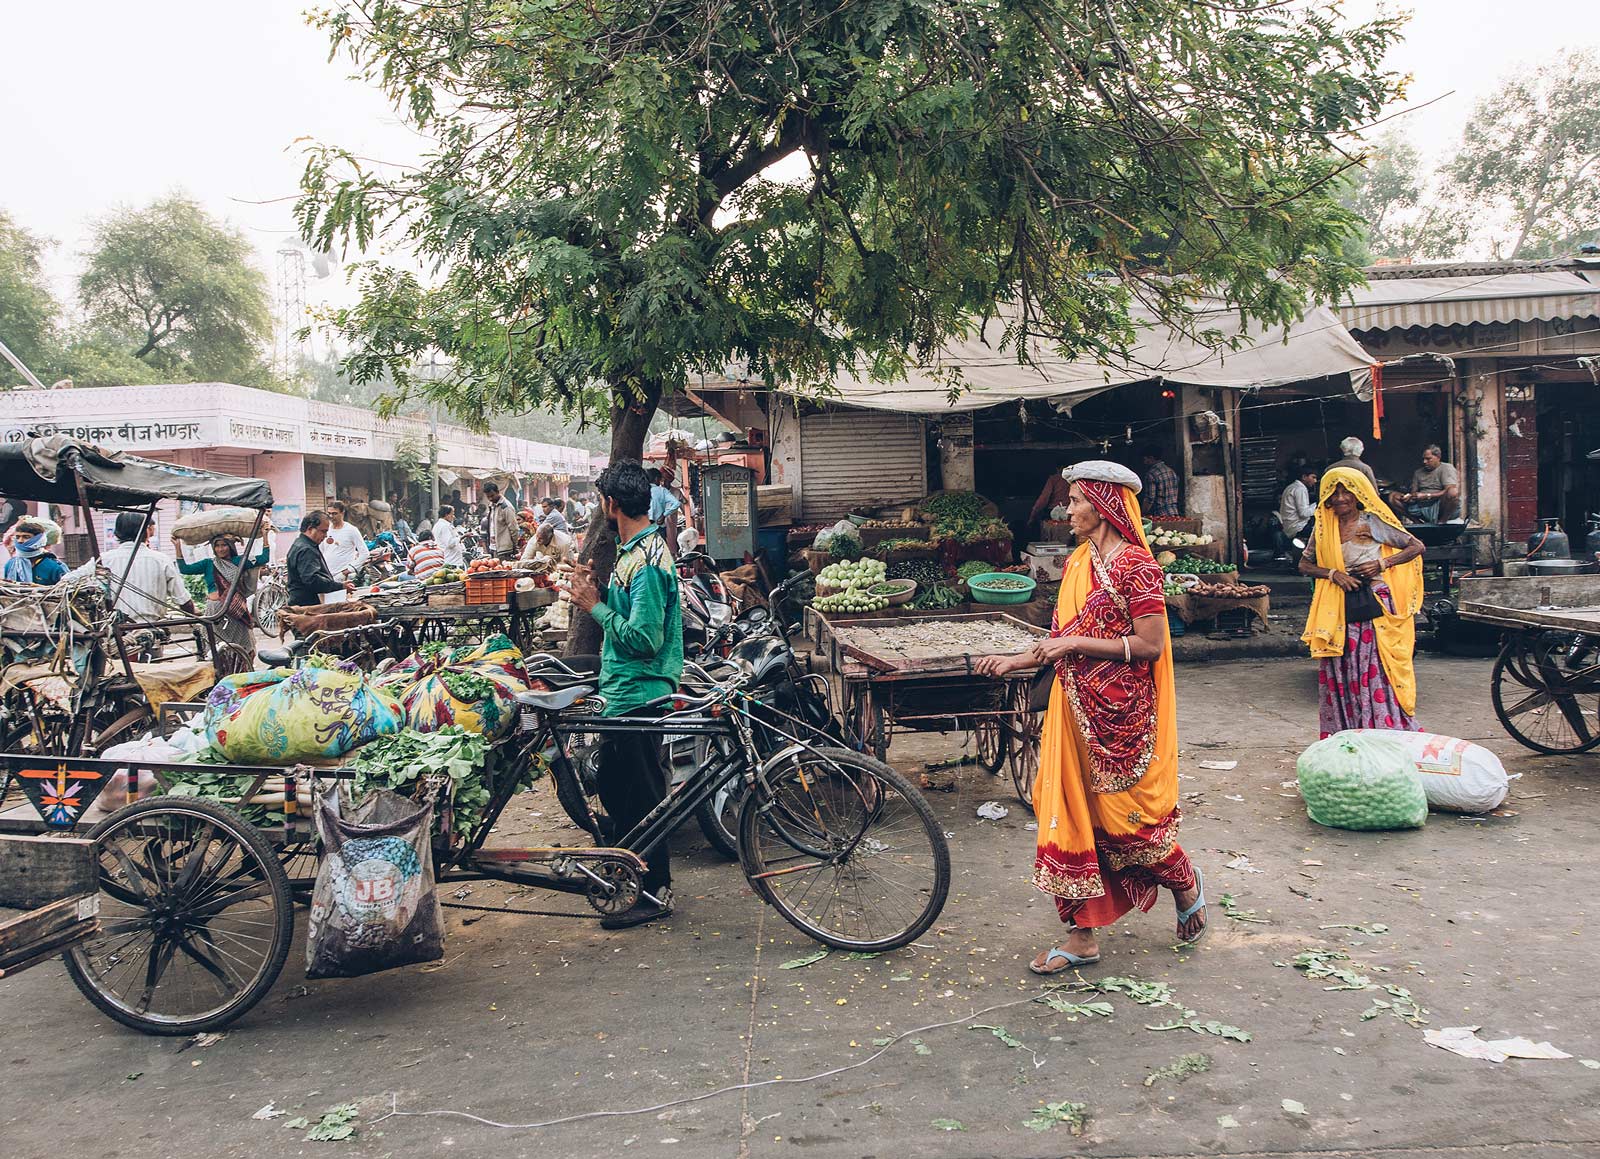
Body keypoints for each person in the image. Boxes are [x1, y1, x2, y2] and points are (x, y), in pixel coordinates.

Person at [973, 461, 1205, 974]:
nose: (1067, 508)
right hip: (1073, 712)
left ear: (1103, 505)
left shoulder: (1138, 567)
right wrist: (1016, 660)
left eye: (1076, 500)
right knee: (1071, 819)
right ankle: (1081, 936)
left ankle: (1185, 882)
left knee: (1128, 824)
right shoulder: (1080, 561)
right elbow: (1062, 635)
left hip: (1122, 719)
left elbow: (1151, 645)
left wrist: (1076, 644)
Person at [565, 459, 684, 929]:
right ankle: (634, 877)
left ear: (612, 504)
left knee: (642, 795)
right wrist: (597, 596)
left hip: (642, 691)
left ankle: (653, 894)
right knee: (617, 786)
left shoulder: (649, 560)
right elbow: (629, 617)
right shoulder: (634, 552)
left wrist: (595, 609)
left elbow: (646, 638)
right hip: (623, 688)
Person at [1299, 468, 1426, 737]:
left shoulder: (1371, 522)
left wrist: (1382, 563)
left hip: (1374, 606)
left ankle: (1381, 731)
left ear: (1358, 495)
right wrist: (1334, 574)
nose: (1341, 497)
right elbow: (1304, 564)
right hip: (1340, 607)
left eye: (1347, 491)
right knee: (1343, 671)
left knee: (1375, 671)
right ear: (1327, 498)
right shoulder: (1324, 526)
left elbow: (1415, 546)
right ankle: (1348, 734)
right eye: (1335, 492)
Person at [178, 535, 271, 676]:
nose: (220, 549)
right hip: (215, 613)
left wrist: (265, 536)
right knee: (216, 649)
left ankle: (242, 675)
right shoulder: (209, 564)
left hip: (236, 612)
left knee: (244, 647)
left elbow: (264, 558)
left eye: (224, 545)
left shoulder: (238, 561)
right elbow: (185, 569)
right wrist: (177, 546)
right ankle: (221, 677)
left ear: (230, 546)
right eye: (217, 546)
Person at [81, 512, 198, 622]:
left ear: (117, 533)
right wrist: (193, 615)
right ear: (146, 531)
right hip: (152, 629)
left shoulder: (103, 560)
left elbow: (69, 580)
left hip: (116, 632)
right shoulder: (161, 560)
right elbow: (183, 600)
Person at [287, 511, 355, 608]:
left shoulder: (301, 544)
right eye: (323, 531)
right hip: (306, 606)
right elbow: (312, 580)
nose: (326, 535)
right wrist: (339, 586)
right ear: (310, 529)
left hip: (302, 603)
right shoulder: (306, 549)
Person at [1389, 444, 1460, 524]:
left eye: (1428, 459)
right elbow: (1414, 492)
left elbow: (1449, 489)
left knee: (1453, 492)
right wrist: (1410, 497)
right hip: (1421, 506)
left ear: (1438, 457)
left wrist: (1427, 495)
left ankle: (1442, 521)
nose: (1424, 462)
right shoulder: (1418, 472)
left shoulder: (1446, 468)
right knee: (1393, 496)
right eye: (1423, 459)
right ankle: (1417, 521)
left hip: (1440, 506)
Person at [319, 500, 369, 601]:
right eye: (329, 513)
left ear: (342, 513)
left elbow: (364, 553)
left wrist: (348, 570)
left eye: (335, 513)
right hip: (326, 575)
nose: (332, 516)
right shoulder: (326, 529)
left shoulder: (351, 530)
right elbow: (321, 550)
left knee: (340, 606)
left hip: (341, 576)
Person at [3, 518, 66, 585]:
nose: (20, 541)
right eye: (18, 537)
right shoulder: (11, 564)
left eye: (26, 537)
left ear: (39, 540)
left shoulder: (55, 567)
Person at [1275, 464, 1320, 555]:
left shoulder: (1292, 487)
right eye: (1313, 477)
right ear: (1304, 477)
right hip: (1298, 527)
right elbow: (1303, 513)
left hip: (1289, 527)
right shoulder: (1300, 489)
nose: (1315, 481)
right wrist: (1319, 504)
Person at [1026, 465, 1076, 533]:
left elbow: (1043, 499)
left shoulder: (1054, 479)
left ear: (1057, 469)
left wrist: (1032, 516)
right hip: (1070, 513)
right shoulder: (1073, 480)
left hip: (1054, 514)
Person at [1139, 446, 1182, 518]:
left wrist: (1142, 513)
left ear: (1151, 458)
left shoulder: (1151, 474)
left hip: (1160, 514)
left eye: (1145, 458)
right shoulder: (1171, 471)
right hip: (1174, 513)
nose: (1144, 461)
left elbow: (1150, 498)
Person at [483, 482, 519, 559]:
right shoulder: (492, 505)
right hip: (493, 547)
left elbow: (514, 528)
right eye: (488, 496)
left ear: (498, 492)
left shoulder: (506, 507)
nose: (490, 499)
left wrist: (515, 545)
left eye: (492, 495)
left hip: (504, 549)